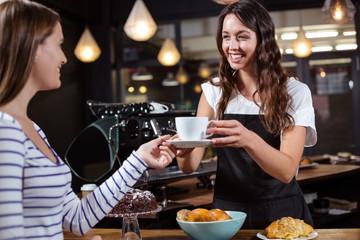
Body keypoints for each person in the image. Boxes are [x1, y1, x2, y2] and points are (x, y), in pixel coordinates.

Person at [0, 1, 175, 239]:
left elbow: (77, 218)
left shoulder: (33, 129)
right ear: (31, 48)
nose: (64, 58)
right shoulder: (4, 130)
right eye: (59, 45)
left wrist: (139, 160)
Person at [170, 0, 317, 229]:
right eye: (226, 36)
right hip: (226, 215)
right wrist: (183, 150)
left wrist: (248, 139)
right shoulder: (213, 92)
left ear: (263, 39)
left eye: (242, 36)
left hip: (282, 213)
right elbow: (189, 166)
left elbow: (287, 171)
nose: (232, 45)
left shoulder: (295, 92)